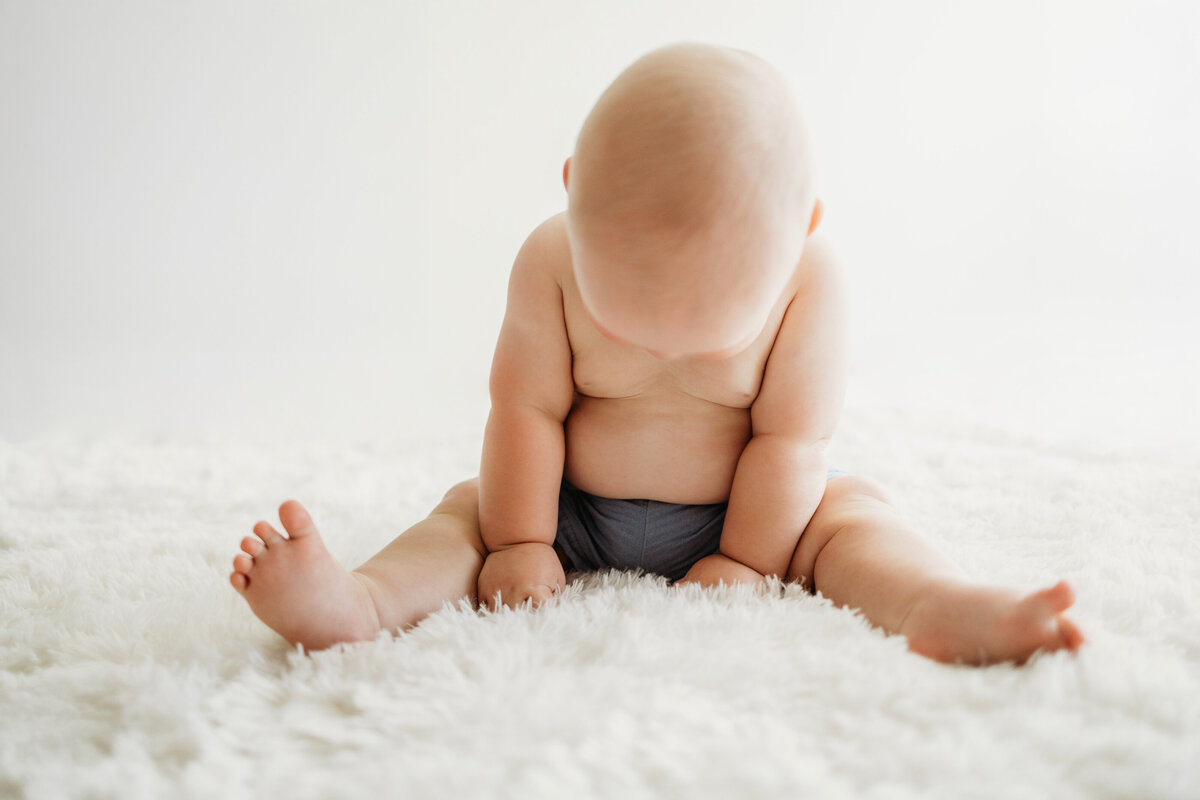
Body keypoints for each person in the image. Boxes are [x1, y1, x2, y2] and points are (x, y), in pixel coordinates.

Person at [229, 43, 1084, 665]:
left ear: (802, 233)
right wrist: (523, 540)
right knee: (465, 516)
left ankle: (940, 604)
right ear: (572, 192)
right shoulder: (547, 258)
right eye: (628, 319)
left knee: (852, 517)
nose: (661, 350)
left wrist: (748, 560)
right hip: (568, 506)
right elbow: (526, 410)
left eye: (708, 336)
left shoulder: (813, 284)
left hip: (748, 513)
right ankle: (361, 603)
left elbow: (790, 442)